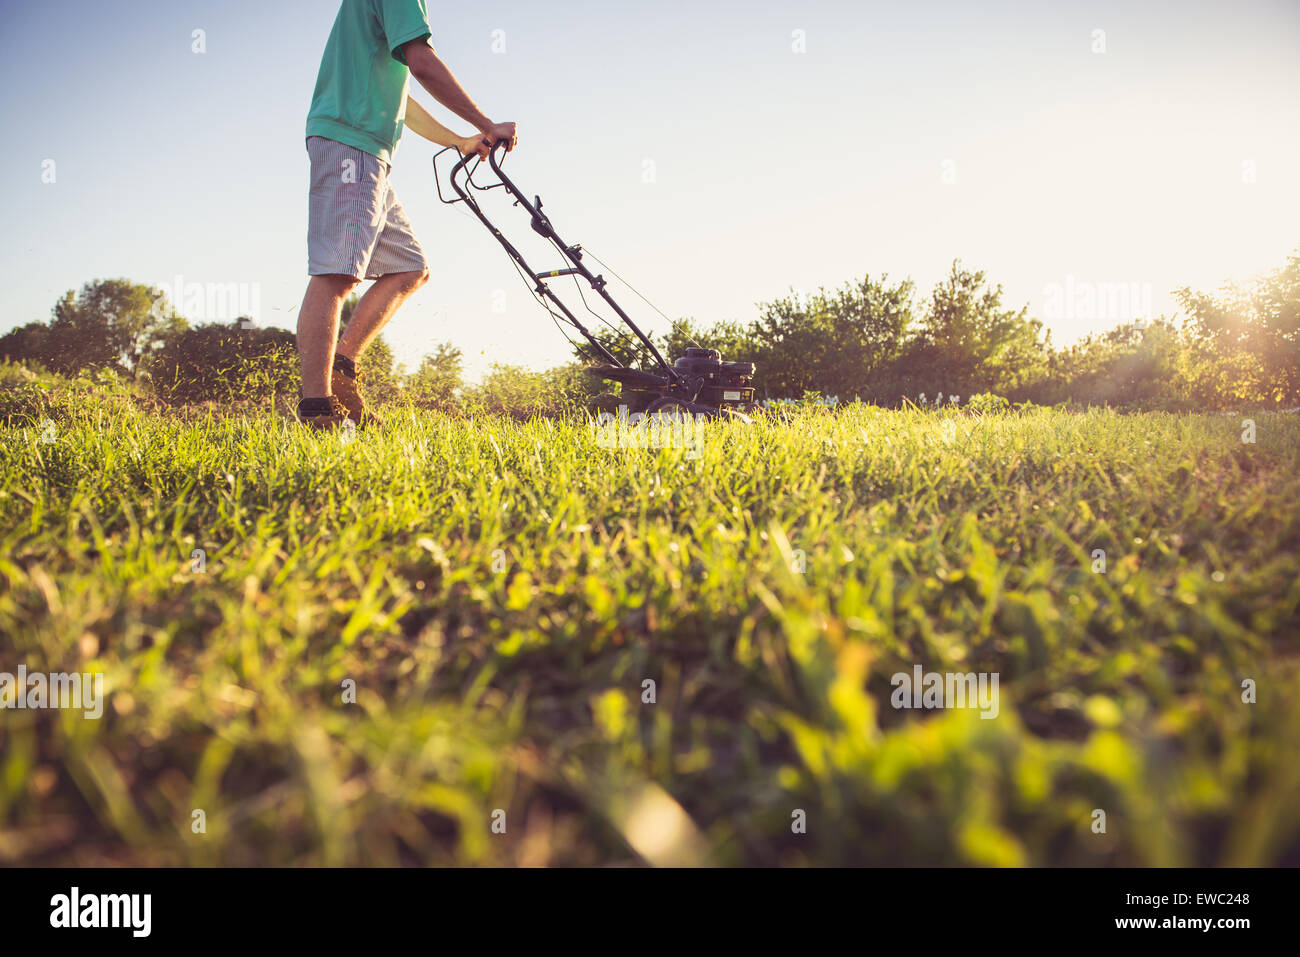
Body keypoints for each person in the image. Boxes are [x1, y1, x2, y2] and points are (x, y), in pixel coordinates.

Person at [297, 0, 517, 429]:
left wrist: (459, 140)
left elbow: (404, 97)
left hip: (369, 151)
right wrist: (487, 122)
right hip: (352, 144)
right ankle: (317, 410)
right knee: (336, 275)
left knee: (409, 268)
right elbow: (422, 63)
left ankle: (340, 370)